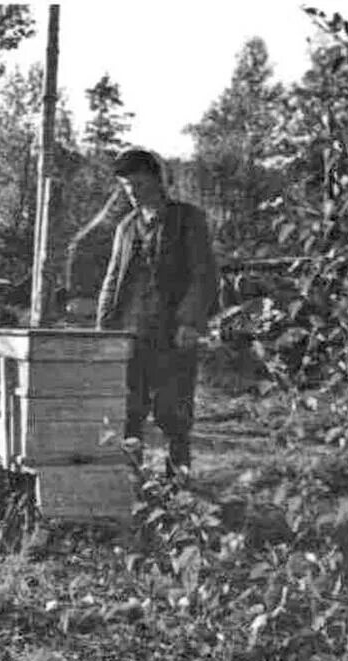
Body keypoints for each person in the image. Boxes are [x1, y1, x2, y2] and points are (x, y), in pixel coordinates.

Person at [96, 148, 218, 483]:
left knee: (173, 411)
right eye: (126, 187)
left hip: (172, 333)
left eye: (138, 184)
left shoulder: (186, 219)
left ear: (157, 180)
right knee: (128, 412)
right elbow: (112, 279)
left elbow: (203, 274)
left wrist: (190, 322)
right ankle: (131, 483)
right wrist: (103, 329)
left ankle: (177, 483)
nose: (133, 193)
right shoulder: (126, 228)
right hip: (129, 335)